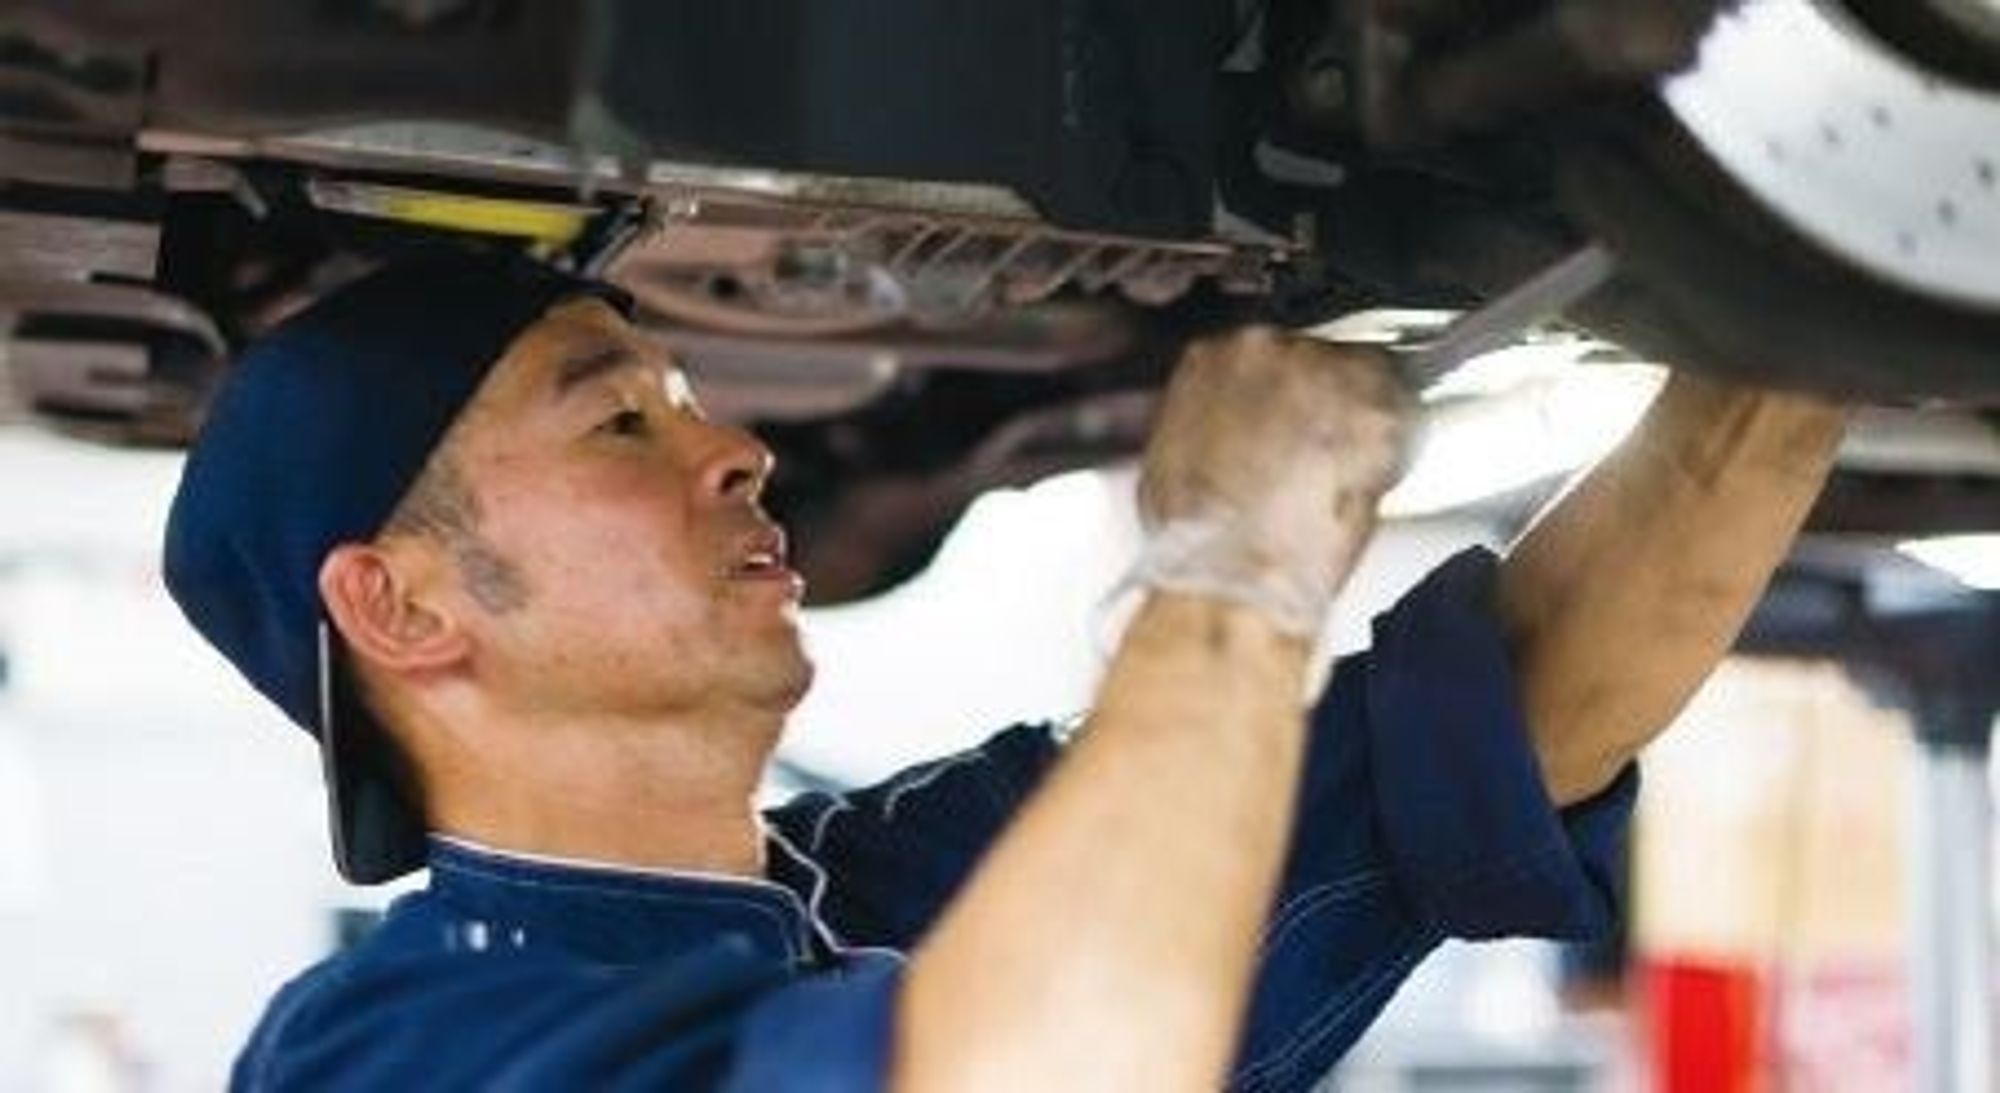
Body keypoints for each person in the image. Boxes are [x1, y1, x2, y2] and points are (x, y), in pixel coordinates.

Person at [162, 252, 1847, 1091]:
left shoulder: (893, 885)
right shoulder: (403, 1047)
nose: (740, 449)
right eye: (619, 419)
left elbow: (1528, 706)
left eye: (689, 398)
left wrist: (1826, 282)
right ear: (401, 607)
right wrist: (1225, 570)